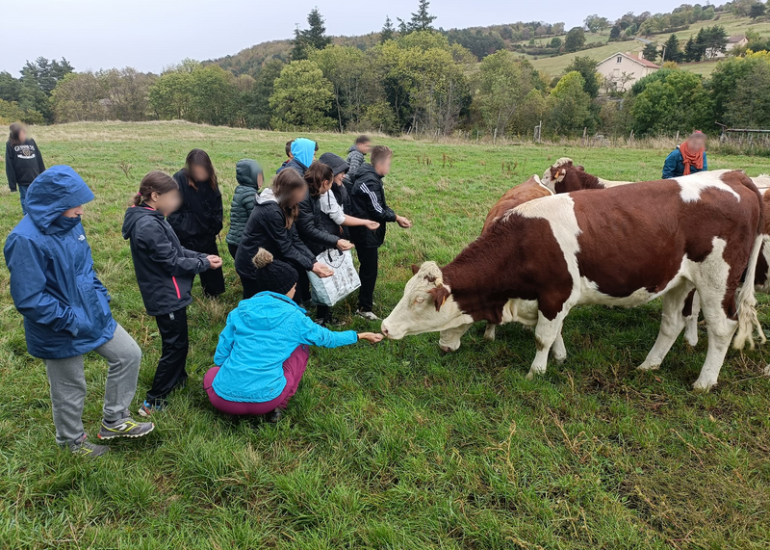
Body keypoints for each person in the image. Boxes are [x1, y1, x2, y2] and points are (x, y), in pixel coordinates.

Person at [3, 166, 154, 458]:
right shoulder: (24, 239)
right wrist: (72, 320)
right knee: (71, 387)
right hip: (58, 327)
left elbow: (86, 268)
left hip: (92, 312)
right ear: (55, 205)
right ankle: (71, 443)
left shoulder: (71, 223)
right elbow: (30, 299)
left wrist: (99, 296)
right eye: (76, 205)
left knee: (129, 355)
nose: (82, 211)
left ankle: (114, 420)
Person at [204, 256, 383, 422]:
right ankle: (278, 408)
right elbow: (328, 338)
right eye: (295, 286)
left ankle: (232, 406)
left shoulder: (238, 312)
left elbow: (220, 356)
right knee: (301, 347)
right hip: (267, 400)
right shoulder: (296, 319)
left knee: (211, 374)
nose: (295, 288)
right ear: (286, 289)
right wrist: (360, 335)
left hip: (222, 400)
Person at [122, 171, 223, 417]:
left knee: (179, 342)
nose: (177, 201)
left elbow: (175, 250)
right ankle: (153, 401)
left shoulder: (154, 218)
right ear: (155, 196)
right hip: (165, 295)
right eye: (173, 196)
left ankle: (178, 380)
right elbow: (171, 263)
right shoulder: (148, 225)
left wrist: (200, 256)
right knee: (174, 346)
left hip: (170, 292)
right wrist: (204, 265)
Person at [301, 159, 382, 325]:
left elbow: (327, 220)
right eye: (340, 174)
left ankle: (322, 317)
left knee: (320, 275)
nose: (344, 177)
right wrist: (336, 241)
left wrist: (362, 223)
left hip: (313, 240)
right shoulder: (306, 197)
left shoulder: (316, 193)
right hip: (300, 242)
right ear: (325, 182)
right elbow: (308, 229)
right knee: (310, 277)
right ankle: (309, 321)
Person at [235, 169, 333, 300]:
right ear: (289, 192)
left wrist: (313, 261)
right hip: (252, 263)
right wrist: (311, 266)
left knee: (270, 301)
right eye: (299, 194)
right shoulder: (271, 211)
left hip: (266, 259)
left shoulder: (285, 206)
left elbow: (294, 239)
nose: (301, 199)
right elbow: (286, 247)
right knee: (256, 302)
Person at [349, 146, 412, 321]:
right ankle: (364, 309)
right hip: (365, 231)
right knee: (369, 270)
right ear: (381, 163)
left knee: (369, 267)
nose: (390, 167)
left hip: (367, 230)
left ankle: (365, 298)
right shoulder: (369, 181)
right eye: (389, 164)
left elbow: (379, 205)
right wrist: (397, 217)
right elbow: (377, 211)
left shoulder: (373, 178)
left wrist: (394, 215)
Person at [168, 149, 225, 298]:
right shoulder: (179, 180)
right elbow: (172, 212)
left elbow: (217, 204)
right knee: (187, 267)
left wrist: (215, 225)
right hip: (188, 236)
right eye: (196, 171)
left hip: (207, 233)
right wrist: (187, 229)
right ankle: (180, 296)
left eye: (203, 171)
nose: (200, 175)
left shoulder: (211, 179)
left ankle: (213, 294)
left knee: (212, 266)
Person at [226, 159, 263, 260]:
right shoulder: (249, 194)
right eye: (259, 175)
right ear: (250, 176)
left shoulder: (241, 189)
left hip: (235, 241)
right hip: (243, 244)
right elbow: (258, 219)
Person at [5, 122, 46, 215]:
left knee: (37, 197)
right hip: (22, 179)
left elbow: (39, 158)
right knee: (25, 198)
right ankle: (27, 217)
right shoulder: (10, 145)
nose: (24, 135)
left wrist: (44, 175)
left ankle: (38, 215)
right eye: (21, 133)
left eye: (24, 132)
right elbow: (9, 165)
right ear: (15, 135)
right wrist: (12, 184)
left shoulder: (31, 141)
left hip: (35, 177)